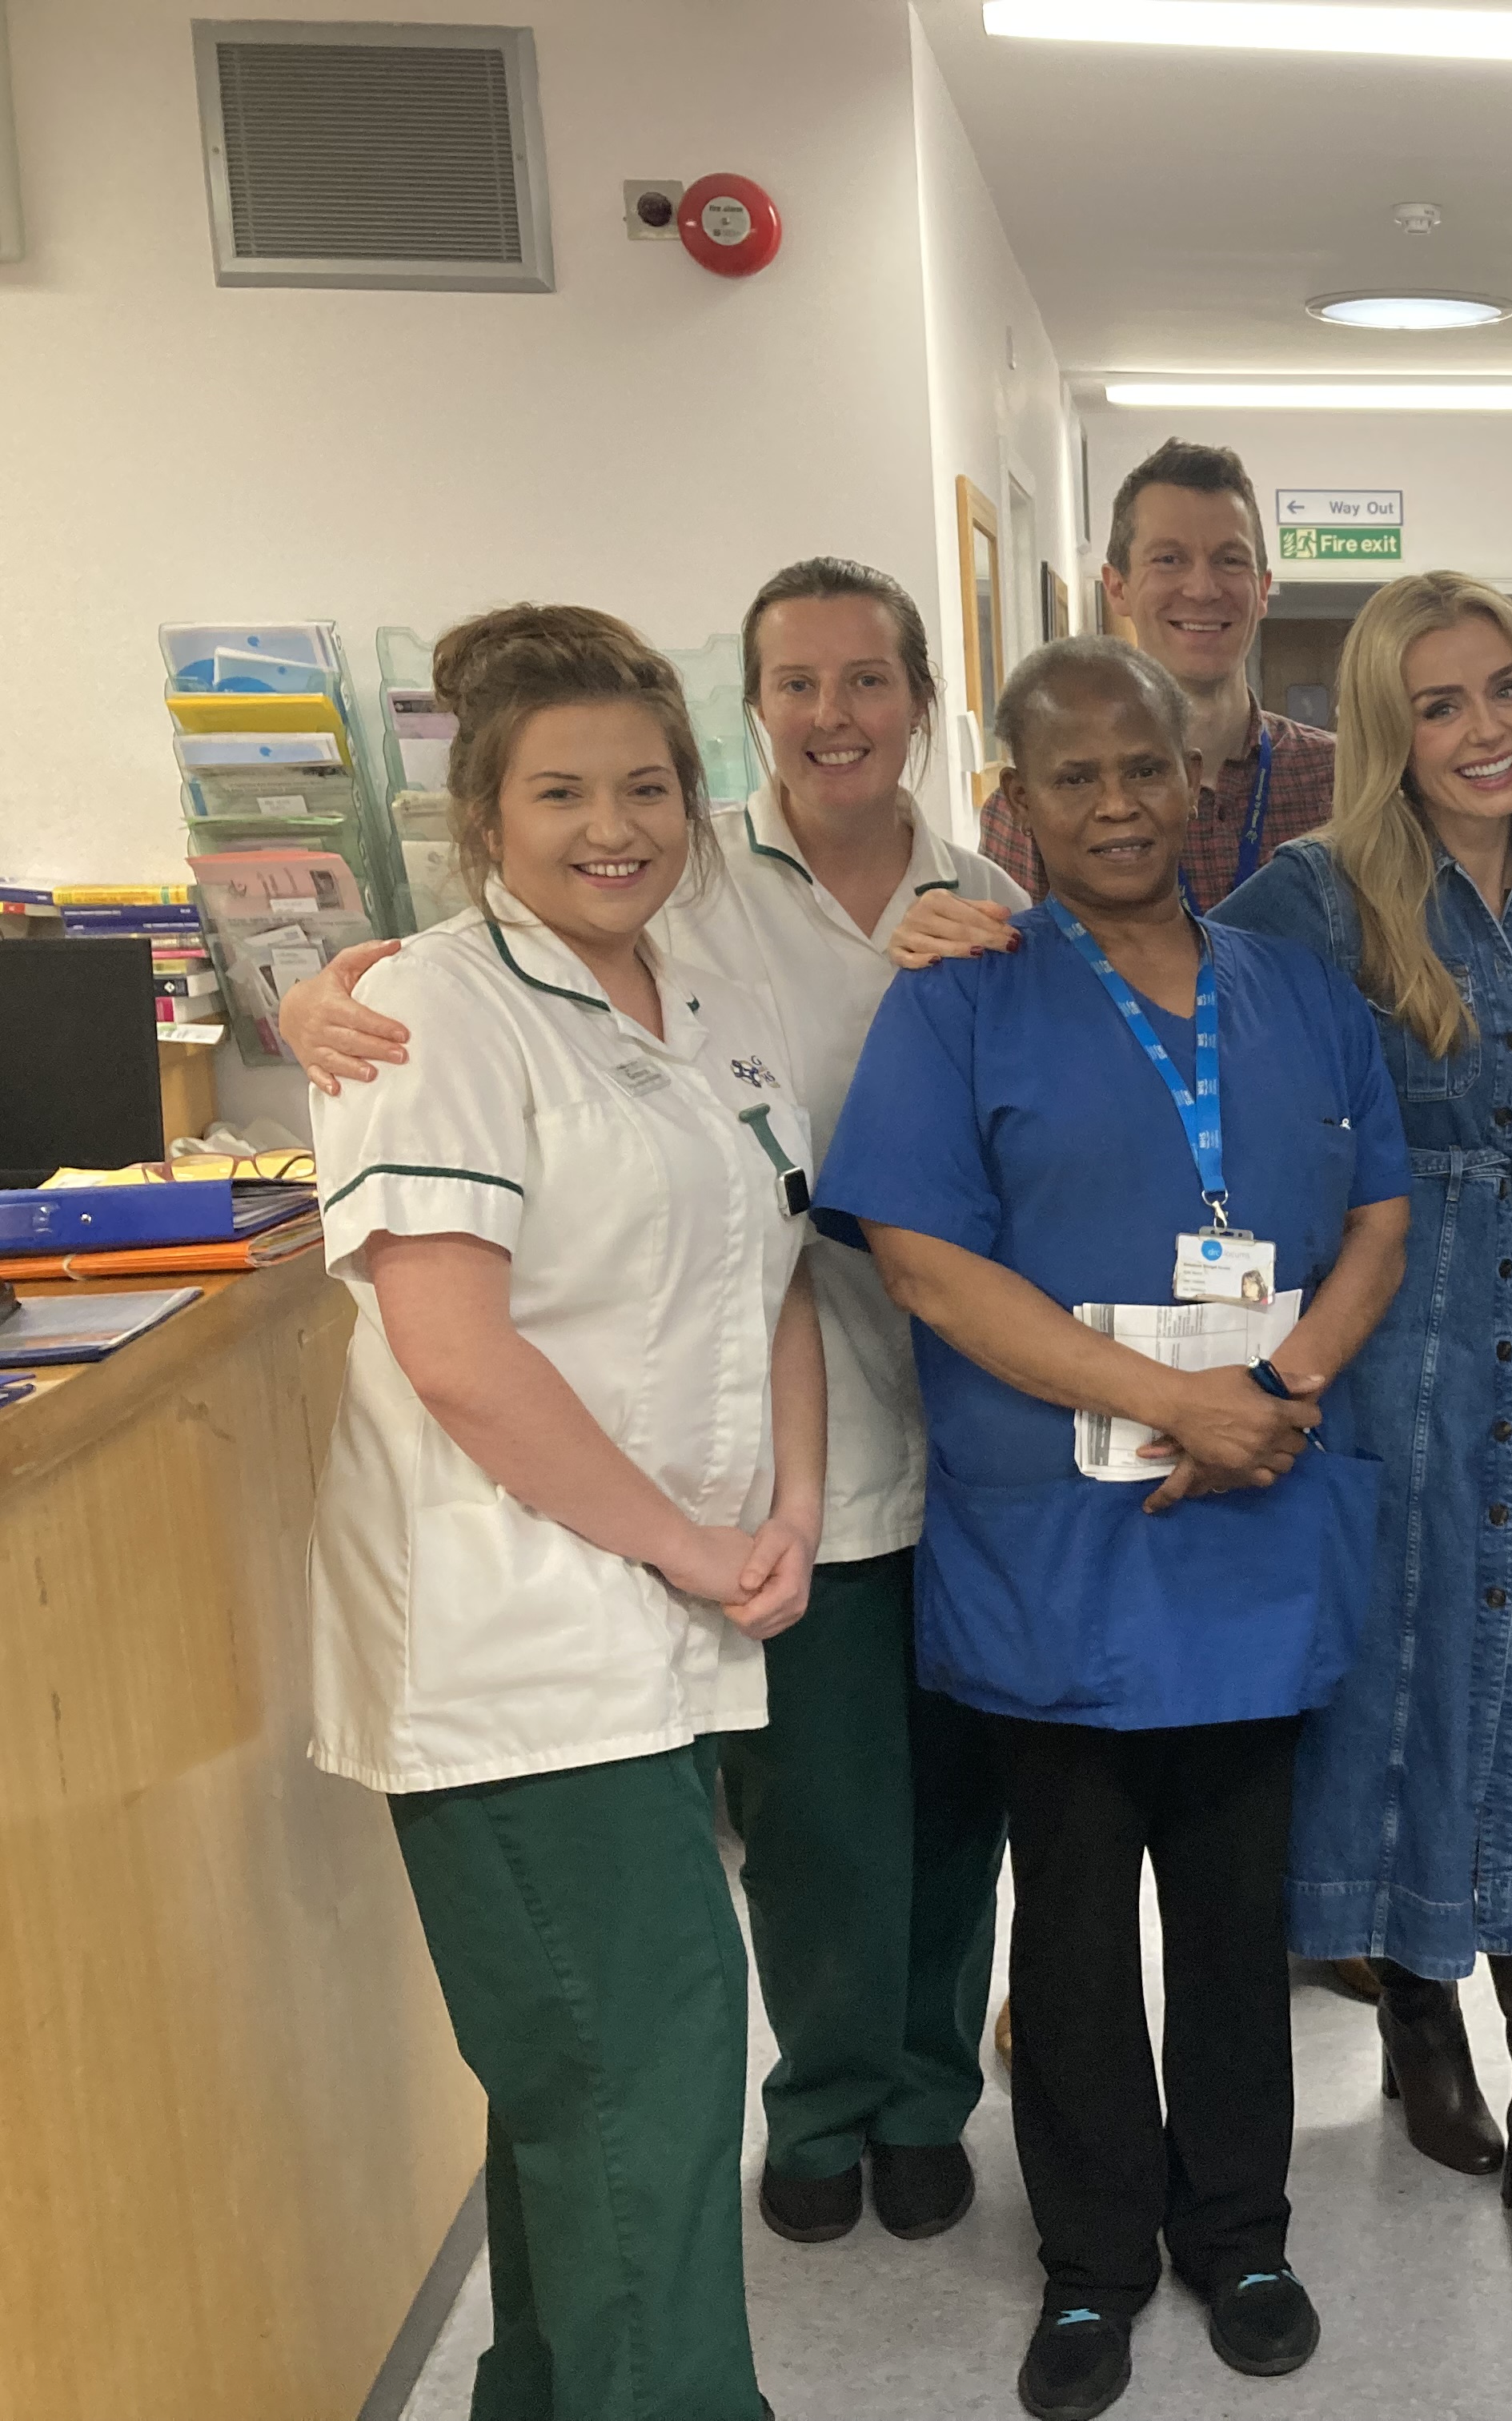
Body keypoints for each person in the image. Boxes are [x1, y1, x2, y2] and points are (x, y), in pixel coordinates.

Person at [284, 560, 1025, 2249]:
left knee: (954, 1802)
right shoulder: (686, 888)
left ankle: (928, 2093)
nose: (834, 713)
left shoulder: (987, 893)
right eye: (796, 683)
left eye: (868, 679)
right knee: (820, 1817)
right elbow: (474, 982)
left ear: (921, 702)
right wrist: (320, 993)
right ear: (751, 714)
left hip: (959, 1415)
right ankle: (825, 2099)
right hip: (769, 1452)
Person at [818, 636, 1410, 2421]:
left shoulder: (1297, 990)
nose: (1118, 803)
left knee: (1236, 1914)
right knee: (1070, 1926)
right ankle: (1091, 2260)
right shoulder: (963, 997)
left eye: (1144, 765)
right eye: (1071, 776)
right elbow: (923, 1261)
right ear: (1018, 799)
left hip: (1256, 1521)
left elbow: (1378, 1218)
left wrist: (1278, 1388)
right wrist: (1179, 1401)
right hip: (1064, 1547)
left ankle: (1240, 2229)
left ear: (1194, 775)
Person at [303, 604, 826, 2421]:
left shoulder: (709, 1001)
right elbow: (455, 1353)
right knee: (641, 2072)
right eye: (562, 793)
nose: (615, 826)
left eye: (648, 787)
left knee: (595, 2081)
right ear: (484, 819)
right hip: (514, 1628)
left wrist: (791, 1506)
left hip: (659, 1616)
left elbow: (777, 1271)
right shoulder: (432, 1010)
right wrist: (691, 1542)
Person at [1225, 572, 1512, 2307]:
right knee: (1392, 1700)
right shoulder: (1310, 897)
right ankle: (1419, 2027)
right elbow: (1152, 1006)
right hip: (1374, 1349)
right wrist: (978, 943)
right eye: (1440, 702)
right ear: (1386, 732)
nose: (1485, 730)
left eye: (1507, 690)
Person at [977, 436, 1337, 911]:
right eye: (1169, 559)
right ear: (1117, 587)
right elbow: (1001, 949)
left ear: (1263, 589)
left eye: (1230, 560)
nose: (1203, 589)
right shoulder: (1041, 804)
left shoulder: (1342, 780)